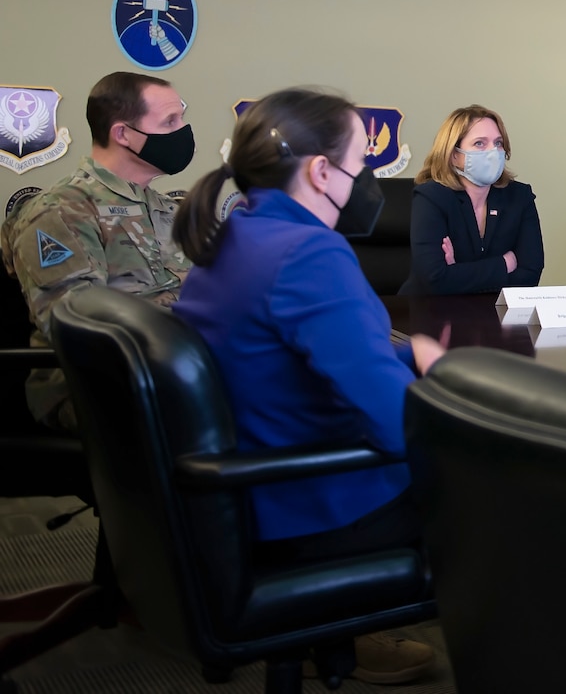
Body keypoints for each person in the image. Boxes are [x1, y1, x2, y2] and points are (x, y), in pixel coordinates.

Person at [171, 88, 443, 685]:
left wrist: (402, 352)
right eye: (360, 163)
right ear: (322, 171)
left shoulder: (236, 236)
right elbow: (397, 426)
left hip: (247, 491)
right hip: (314, 505)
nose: (365, 179)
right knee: (530, 491)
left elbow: (285, 356)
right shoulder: (310, 253)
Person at [1, 72, 194, 431]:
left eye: (181, 117)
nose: (183, 130)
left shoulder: (169, 209)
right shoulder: (61, 211)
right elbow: (77, 323)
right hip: (95, 386)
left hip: (177, 368)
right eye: (170, 121)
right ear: (123, 134)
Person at [400, 105, 543, 295]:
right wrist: (504, 264)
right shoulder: (432, 197)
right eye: (479, 143)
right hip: (431, 314)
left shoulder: (519, 197)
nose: (493, 151)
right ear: (453, 155)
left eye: (498, 143)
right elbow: (435, 279)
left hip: (495, 315)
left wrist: (457, 273)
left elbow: (530, 276)